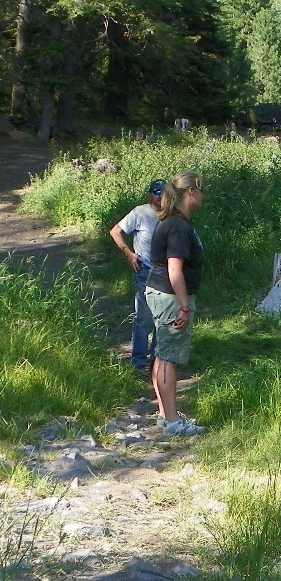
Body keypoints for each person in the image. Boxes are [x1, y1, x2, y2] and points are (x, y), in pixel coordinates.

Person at [145, 171, 206, 436]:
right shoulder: (179, 226)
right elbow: (174, 270)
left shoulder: (174, 222)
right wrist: (184, 305)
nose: (203, 195)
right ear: (190, 192)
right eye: (201, 189)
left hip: (161, 293)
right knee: (169, 357)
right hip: (170, 296)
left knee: (162, 353)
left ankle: (164, 413)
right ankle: (172, 422)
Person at [109, 179, 165, 370]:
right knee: (144, 317)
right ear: (150, 194)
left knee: (163, 317)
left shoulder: (171, 214)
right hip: (145, 271)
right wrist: (129, 254)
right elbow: (115, 231)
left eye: (164, 193)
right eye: (157, 193)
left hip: (166, 272)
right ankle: (139, 361)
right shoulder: (140, 213)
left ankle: (157, 361)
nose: (160, 197)